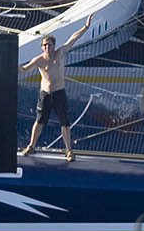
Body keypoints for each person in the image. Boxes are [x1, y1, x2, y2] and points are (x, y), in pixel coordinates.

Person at [19, 13, 93, 161]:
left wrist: (85, 27)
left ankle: (69, 150)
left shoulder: (60, 53)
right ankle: (31, 146)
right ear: (42, 47)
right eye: (45, 45)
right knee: (39, 121)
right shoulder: (38, 60)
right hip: (45, 94)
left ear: (54, 46)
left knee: (64, 122)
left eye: (50, 45)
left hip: (59, 92)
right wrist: (11, 62)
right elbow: (24, 69)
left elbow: (73, 38)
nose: (47, 47)